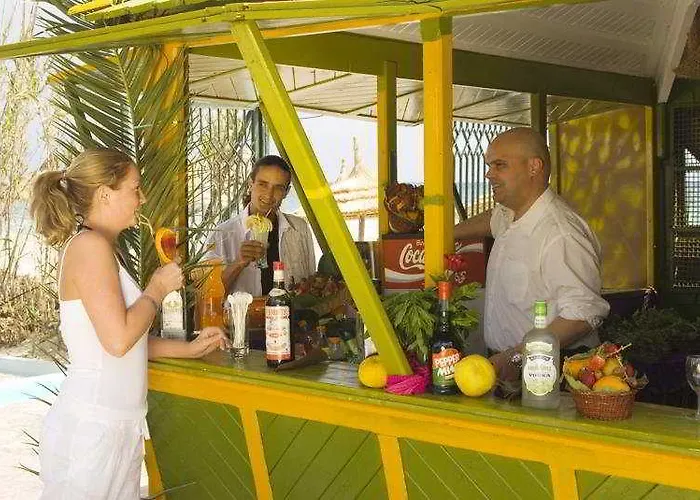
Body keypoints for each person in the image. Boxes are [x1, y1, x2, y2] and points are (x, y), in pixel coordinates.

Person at [30, 149, 228, 498]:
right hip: (94, 430)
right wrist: (157, 289)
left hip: (115, 428)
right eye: (135, 189)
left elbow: (121, 341)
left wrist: (190, 349)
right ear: (105, 194)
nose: (143, 198)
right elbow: (118, 340)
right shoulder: (90, 246)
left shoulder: (101, 247)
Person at [454, 128, 610, 378]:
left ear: (534, 167)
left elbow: (582, 315)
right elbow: (491, 220)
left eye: (500, 165)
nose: (488, 174)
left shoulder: (560, 234)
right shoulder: (510, 213)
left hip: (548, 371)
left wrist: (516, 357)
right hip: (506, 367)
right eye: (489, 165)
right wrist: (441, 235)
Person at [205, 155, 316, 295]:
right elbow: (208, 294)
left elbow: (310, 283)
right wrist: (239, 263)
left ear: (286, 192)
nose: (269, 195)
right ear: (250, 184)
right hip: (244, 310)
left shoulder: (299, 229)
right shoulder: (222, 234)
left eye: (278, 188)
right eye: (263, 184)